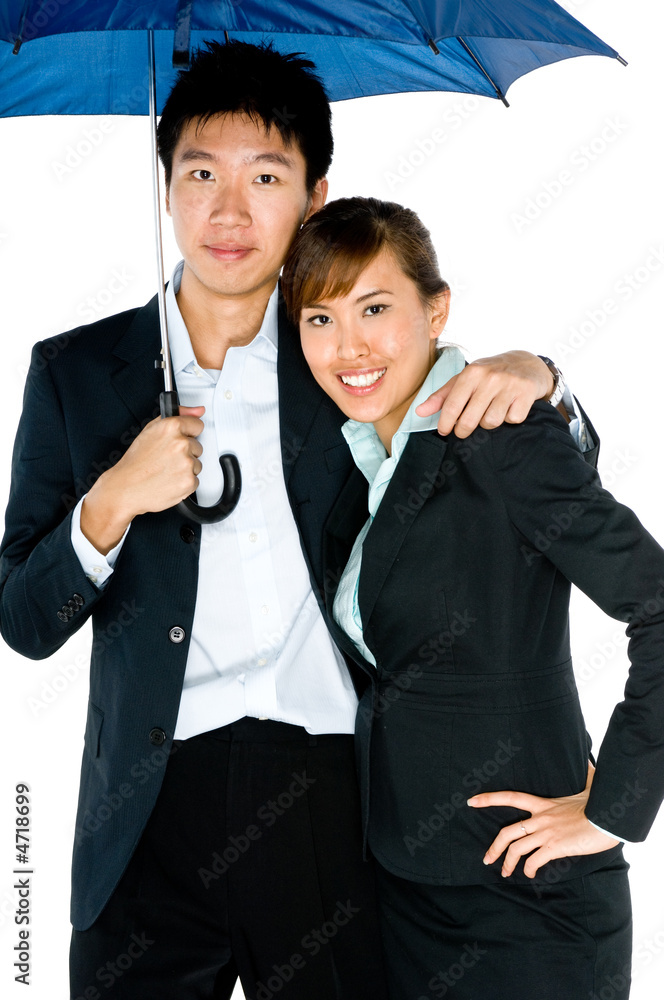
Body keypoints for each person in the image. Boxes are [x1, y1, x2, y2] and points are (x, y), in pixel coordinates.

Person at [1, 42, 586, 1000]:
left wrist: (547, 380)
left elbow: (524, 484)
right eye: (201, 174)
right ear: (166, 188)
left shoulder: (345, 361)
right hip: (145, 815)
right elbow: (23, 622)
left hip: (335, 803)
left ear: (315, 197)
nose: (229, 212)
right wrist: (109, 501)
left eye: (265, 178)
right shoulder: (75, 373)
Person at [281, 195, 664, 1000]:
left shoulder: (502, 437)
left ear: (436, 309)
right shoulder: (362, 458)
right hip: (405, 895)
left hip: (527, 904)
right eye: (319, 319)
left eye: (374, 308)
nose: (348, 346)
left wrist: (612, 808)